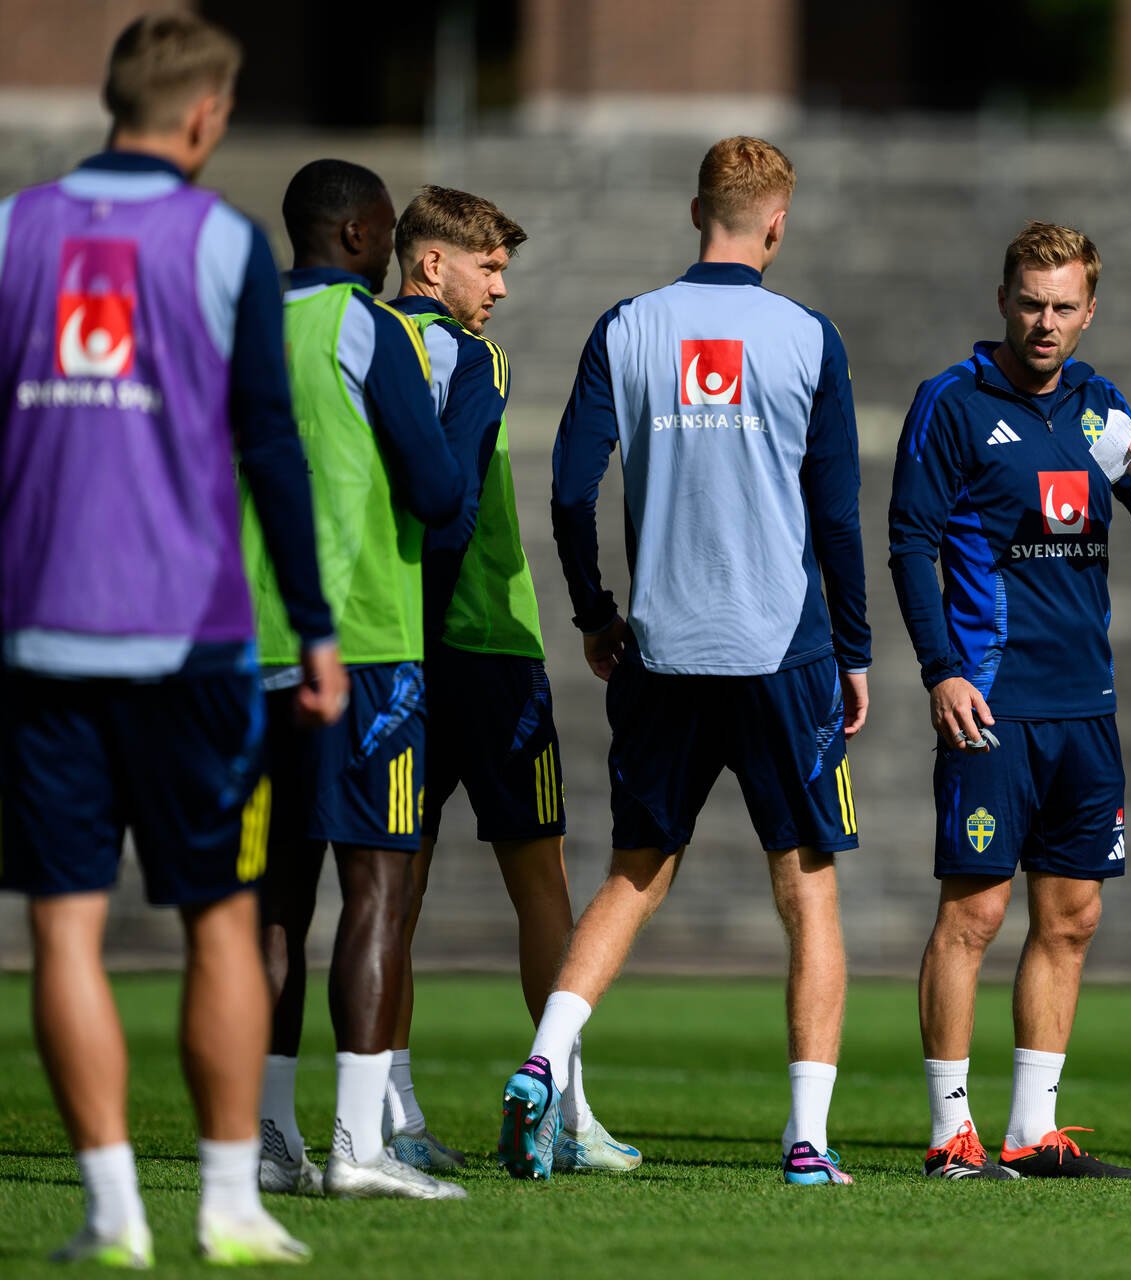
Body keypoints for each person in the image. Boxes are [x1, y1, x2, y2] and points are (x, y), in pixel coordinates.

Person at [0, 13, 342, 1265]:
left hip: (40, 637)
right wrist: (313, 626)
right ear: (203, 114)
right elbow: (268, 445)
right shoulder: (219, 241)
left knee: (65, 927)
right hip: (194, 642)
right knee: (219, 914)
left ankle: (111, 1208)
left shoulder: (10, 230)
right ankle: (228, 1200)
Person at [500, 135, 869, 1186]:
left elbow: (570, 491)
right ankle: (805, 1141)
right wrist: (856, 646)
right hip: (780, 646)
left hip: (660, 645)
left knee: (631, 875)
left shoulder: (629, 326)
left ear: (695, 208)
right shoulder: (806, 335)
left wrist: (595, 611)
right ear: (778, 220)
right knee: (808, 890)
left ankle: (542, 1060)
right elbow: (835, 514)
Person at [888, 221, 1131, 1180]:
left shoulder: (1102, 410)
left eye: (1064, 306)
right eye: (1031, 302)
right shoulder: (954, 404)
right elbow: (908, 543)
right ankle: (950, 1138)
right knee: (973, 916)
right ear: (1003, 298)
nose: (1045, 322)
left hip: (1084, 709)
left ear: (1089, 310)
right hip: (994, 703)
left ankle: (1031, 1134)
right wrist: (942, 669)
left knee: (1072, 920)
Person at [388, 185, 640, 1173]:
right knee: (541, 882)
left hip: (396, 648)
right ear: (429, 262)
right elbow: (449, 517)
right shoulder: (471, 356)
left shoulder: (362, 345)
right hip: (486, 647)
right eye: (486, 264)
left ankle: (390, 1105)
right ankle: (567, 1107)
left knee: (388, 889)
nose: (498, 285)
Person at [244, 158, 470, 1201]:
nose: (387, 252)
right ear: (355, 234)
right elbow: (434, 487)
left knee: (275, 900)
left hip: (249, 649)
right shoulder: (368, 326)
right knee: (376, 887)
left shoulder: (234, 326)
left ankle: (270, 1137)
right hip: (366, 644)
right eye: (381, 233)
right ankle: (357, 1144)